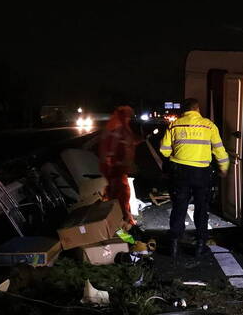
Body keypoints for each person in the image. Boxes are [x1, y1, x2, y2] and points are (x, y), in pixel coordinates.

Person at [159, 98, 229, 258]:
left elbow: (163, 149)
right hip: (201, 172)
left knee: (179, 207)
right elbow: (219, 150)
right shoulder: (208, 125)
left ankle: (174, 245)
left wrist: (175, 157)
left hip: (180, 172)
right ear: (197, 109)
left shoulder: (175, 124)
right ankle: (200, 245)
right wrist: (223, 168)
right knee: (202, 208)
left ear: (184, 110)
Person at [98, 105, 142, 222]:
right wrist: (114, 164)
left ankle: (121, 222)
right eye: (128, 116)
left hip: (117, 169)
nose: (129, 119)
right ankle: (122, 223)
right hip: (115, 169)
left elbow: (126, 143)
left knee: (119, 195)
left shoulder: (118, 127)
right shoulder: (117, 129)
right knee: (121, 196)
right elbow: (113, 149)